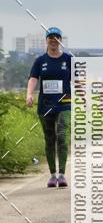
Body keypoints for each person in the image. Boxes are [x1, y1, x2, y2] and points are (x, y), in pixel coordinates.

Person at [26, 27, 72, 187]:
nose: (53, 40)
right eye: (50, 37)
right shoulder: (40, 61)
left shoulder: (68, 59)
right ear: (46, 40)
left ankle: (62, 174)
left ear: (61, 40)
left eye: (57, 37)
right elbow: (33, 78)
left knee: (62, 136)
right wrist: (29, 94)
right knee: (50, 139)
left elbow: (78, 80)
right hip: (45, 105)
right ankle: (53, 175)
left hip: (65, 104)